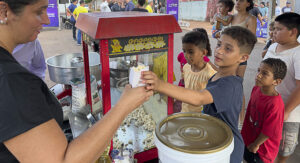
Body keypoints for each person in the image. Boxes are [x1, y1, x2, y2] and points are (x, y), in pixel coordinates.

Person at [0, 0, 153, 162]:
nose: (46, 20)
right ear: (3, 11)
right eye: (39, 12)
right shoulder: (10, 79)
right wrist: (125, 105)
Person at [142, 26, 257, 163]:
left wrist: (160, 85)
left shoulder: (229, 85)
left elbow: (199, 98)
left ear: (243, 57)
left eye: (228, 48)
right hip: (214, 141)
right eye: (219, 44)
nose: (219, 50)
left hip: (226, 151)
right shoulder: (217, 75)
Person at [263, 12, 300, 163]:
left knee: (285, 145)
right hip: (267, 106)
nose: (273, 32)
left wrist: (285, 112)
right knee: (264, 139)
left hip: (288, 113)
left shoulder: (298, 54)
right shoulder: (273, 46)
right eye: (273, 29)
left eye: (278, 29)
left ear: (293, 32)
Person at [241, 58, 287, 163]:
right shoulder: (256, 89)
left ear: (276, 81)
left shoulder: (275, 104)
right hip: (249, 140)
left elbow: (270, 131)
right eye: (258, 70)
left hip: (262, 149)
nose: (258, 75)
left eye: (265, 73)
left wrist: (256, 144)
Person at [180, 28, 216, 113]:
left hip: (199, 118)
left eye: (191, 52)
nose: (186, 55)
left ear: (203, 52)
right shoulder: (186, 67)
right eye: (184, 51)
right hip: (184, 113)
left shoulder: (211, 74)